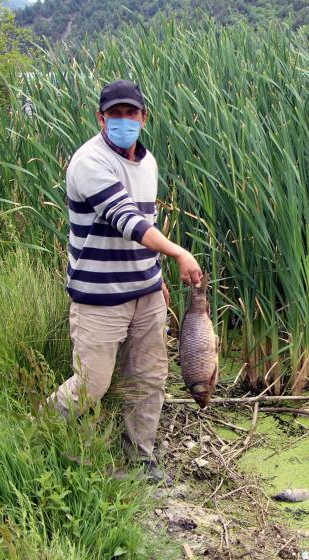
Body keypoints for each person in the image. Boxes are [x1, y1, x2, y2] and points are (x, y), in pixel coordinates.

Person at [45, 79, 202, 484]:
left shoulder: (146, 163)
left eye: (131, 114)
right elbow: (126, 220)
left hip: (144, 291)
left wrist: (156, 274)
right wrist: (178, 253)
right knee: (91, 384)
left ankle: (140, 458)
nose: (123, 121)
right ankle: (36, 432)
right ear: (101, 118)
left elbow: (145, 223)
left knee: (149, 378)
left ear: (143, 118)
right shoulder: (89, 162)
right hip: (100, 296)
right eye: (114, 114)